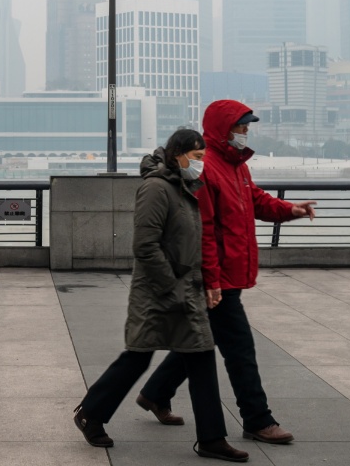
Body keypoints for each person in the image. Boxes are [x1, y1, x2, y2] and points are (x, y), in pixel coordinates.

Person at [138, 100, 316, 445]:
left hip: (227, 273)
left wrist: (290, 209)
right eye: (241, 126)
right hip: (217, 278)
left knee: (204, 337)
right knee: (240, 350)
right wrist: (212, 280)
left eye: (247, 126)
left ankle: (155, 393)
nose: (246, 132)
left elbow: (256, 200)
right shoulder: (205, 168)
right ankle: (257, 419)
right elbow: (202, 230)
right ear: (223, 128)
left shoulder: (237, 165)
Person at [73, 129, 249, 462]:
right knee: (138, 356)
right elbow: (145, 246)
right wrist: (171, 284)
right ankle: (90, 414)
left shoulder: (185, 186)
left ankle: (212, 439)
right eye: (197, 157)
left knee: (201, 356)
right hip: (155, 293)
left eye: (203, 158)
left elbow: (193, 241)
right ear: (178, 154)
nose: (201, 164)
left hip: (186, 291)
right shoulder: (156, 188)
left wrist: (203, 282)